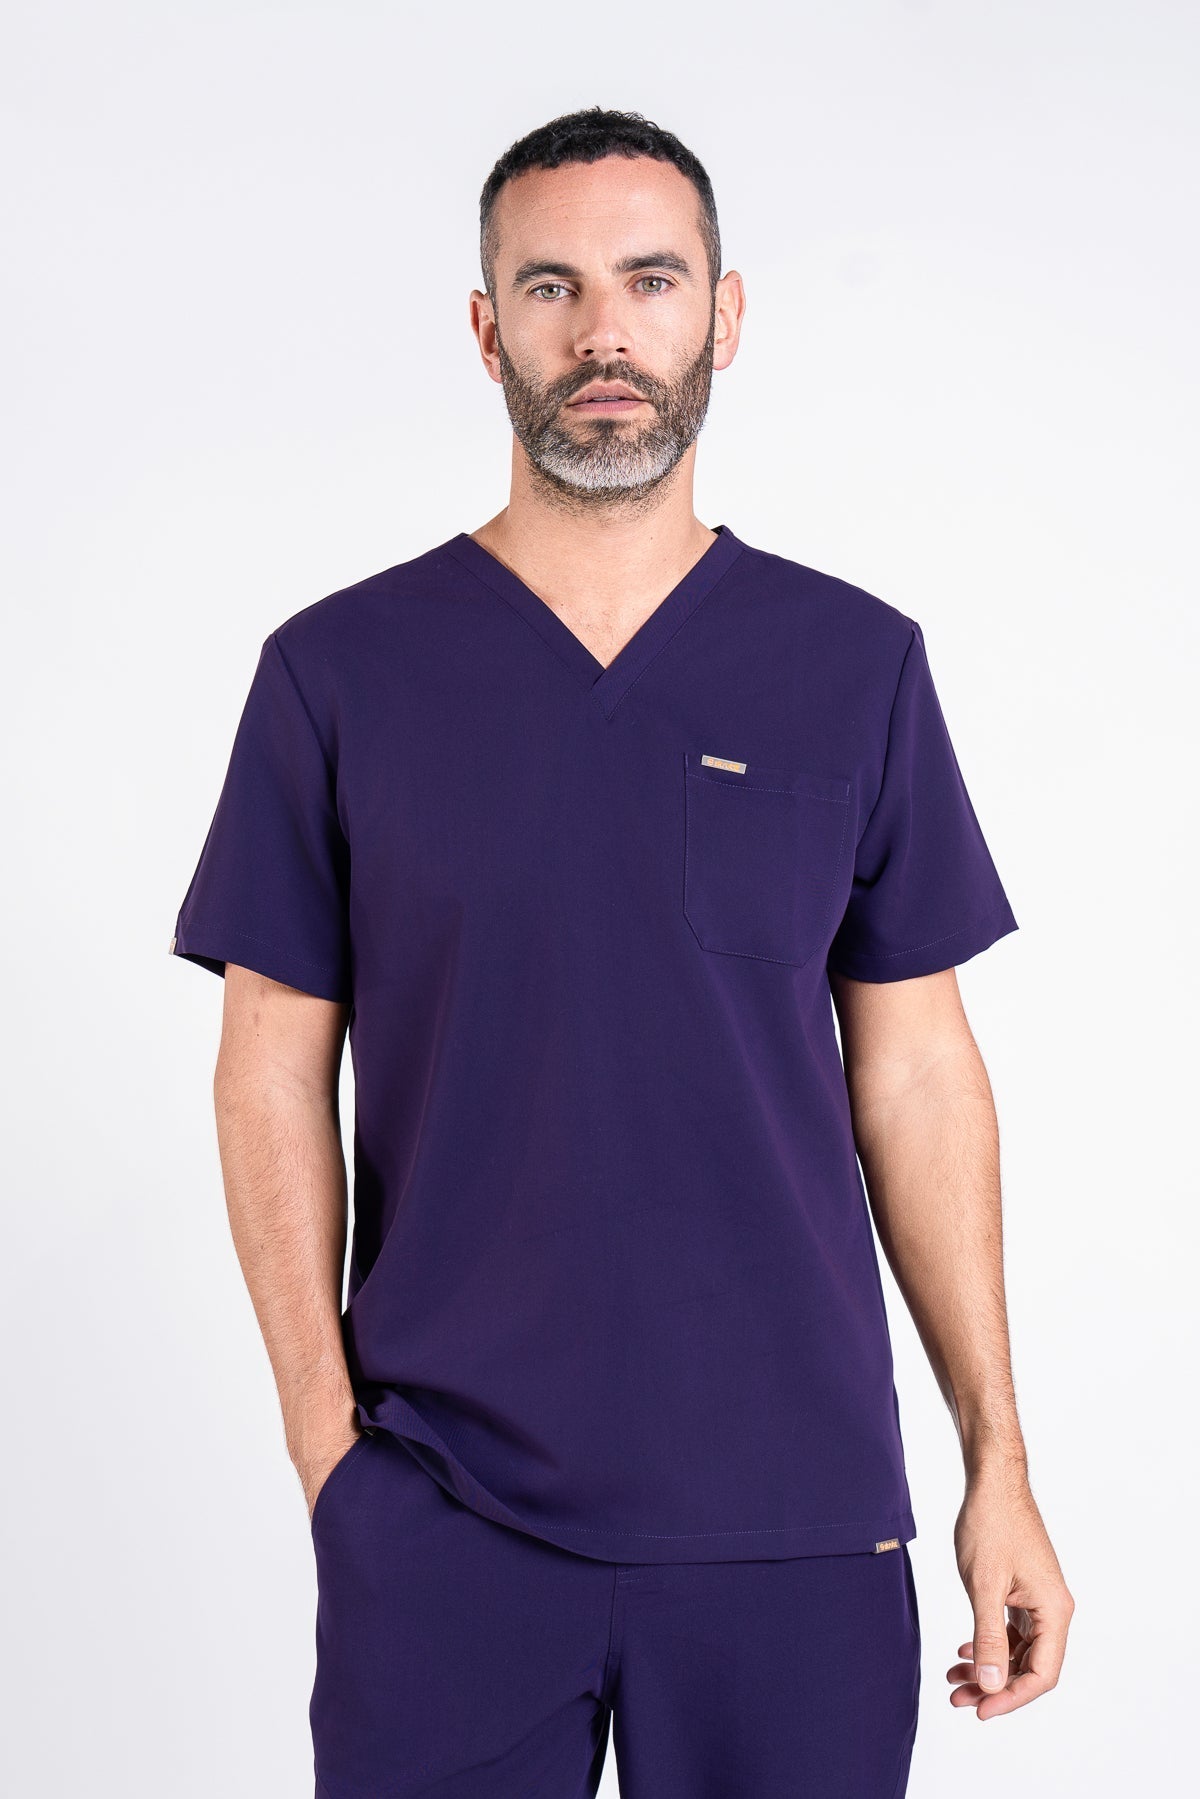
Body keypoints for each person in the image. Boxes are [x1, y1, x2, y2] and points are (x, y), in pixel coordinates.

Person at [170, 105, 1073, 1799]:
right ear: (485, 327)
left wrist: (998, 1461)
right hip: (445, 1511)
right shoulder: (340, 673)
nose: (605, 333)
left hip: (795, 1522)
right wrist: (327, 1454)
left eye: (651, 283)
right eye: (552, 287)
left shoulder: (853, 665)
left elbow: (918, 1075)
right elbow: (269, 1066)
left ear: (723, 316)